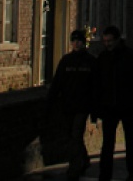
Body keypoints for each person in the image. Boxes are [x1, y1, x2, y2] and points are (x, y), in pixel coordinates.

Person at [93, 25, 133, 181]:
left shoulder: (131, 57)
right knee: (107, 143)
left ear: (117, 40)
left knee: (130, 140)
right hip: (109, 107)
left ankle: (132, 172)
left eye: (110, 41)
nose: (107, 44)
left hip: (128, 106)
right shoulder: (103, 58)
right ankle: (105, 174)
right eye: (105, 41)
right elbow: (97, 85)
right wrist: (96, 108)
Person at [46, 29, 96, 181]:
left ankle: (74, 168)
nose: (76, 43)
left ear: (84, 42)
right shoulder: (66, 61)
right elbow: (57, 83)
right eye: (74, 41)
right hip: (68, 105)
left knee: (76, 134)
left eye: (79, 40)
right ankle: (84, 159)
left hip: (83, 106)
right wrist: (51, 101)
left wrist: (94, 110)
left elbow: (96, 86)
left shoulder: (91, 61)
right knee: (71, 136)